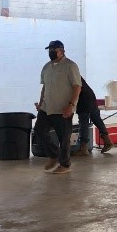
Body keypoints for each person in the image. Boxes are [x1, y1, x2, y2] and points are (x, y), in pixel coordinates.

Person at [34, 40, 81, 174]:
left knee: (64, 138)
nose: (51, 52)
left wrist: (70, 105)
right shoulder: (47, 67)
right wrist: (41, 103)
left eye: (53, 50)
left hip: (63, 108)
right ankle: (54, 155)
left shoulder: (70, 66)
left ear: (61, 51)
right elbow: (45, 87)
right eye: (49, 50)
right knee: (39, 131)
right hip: (47, 108)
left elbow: (77, 87)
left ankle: (65, 164)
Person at [71, 77, 114, 156]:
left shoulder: (67, 73)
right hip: (90, 97)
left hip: (83, 99)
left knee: (84, 123)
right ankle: (107, 141)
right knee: (96, 118)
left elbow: (76, 88)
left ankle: (83, 148)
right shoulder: (72, 71)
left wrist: (71, 104)